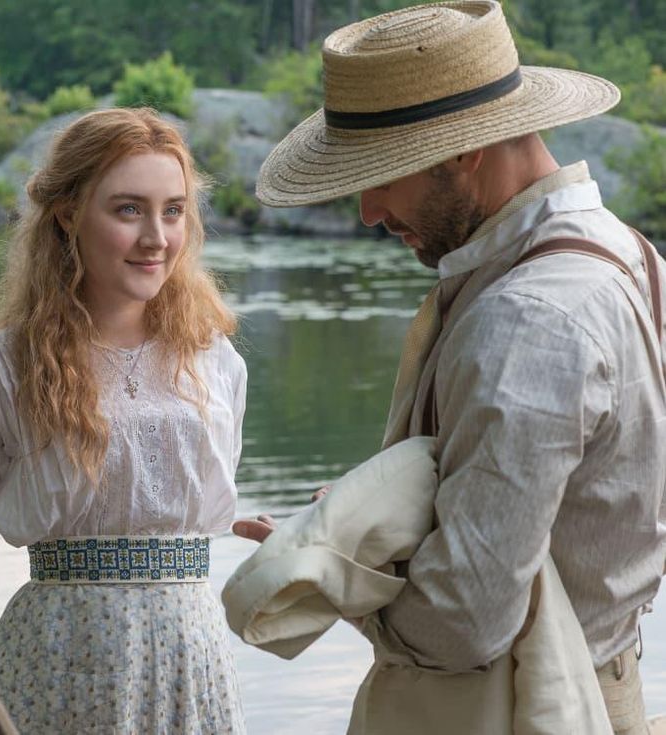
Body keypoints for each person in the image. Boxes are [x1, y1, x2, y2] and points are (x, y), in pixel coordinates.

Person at [233, 2, 665, 733]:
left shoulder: (527, 316)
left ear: (464, 152)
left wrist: (335, 569)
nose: (368, 210)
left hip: (522, 709)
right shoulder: (629, 253)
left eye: (381, 175)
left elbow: (463, 623)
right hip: (596, 690)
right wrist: (378, 517)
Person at [0, 107, 247, 734]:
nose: (157, 238)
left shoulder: (214, 363)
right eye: (128, 209)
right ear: (67, 214)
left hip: (191, 669)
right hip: (55, 671)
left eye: (173, 210)